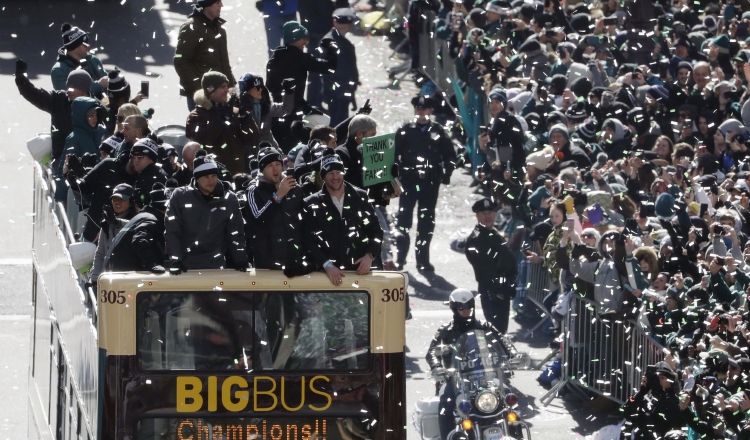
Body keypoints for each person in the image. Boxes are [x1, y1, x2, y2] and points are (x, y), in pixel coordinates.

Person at [426, 288, 506, 440]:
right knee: (446, 405)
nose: (466, 310)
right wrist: (437, 366)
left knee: (508, 397)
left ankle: (514, 432)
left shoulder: (484, 326)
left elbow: (502, 341)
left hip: (485, 375)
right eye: (461, 307)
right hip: (455, 379)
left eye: (469, 306)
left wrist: (514, 355)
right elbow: (431, 352)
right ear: (454, 308)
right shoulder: (446, 331)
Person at [393, 96, 456, 272]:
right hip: (409, 182)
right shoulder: (405, 130)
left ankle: (423, 260)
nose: (421, 112)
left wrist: (447, 173)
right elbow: (393, 157)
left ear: (431, 111)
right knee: (403, 221)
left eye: (425, 109)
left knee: (426, 222)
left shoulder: (439, 131)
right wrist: (396, 178)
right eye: (418, 109)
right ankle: (400, 258)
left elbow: (450, 155)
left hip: (430, 183)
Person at [301, 153, 382, 286]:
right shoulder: (311, 203)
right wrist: (327, 265)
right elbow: (308, 240)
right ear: (323, 176)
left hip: (360, 275)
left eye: (338, 172)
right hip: (328, 277)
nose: (335, 177)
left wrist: (369, 256)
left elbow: (376, 231)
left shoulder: (360, 197)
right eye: (330, 173)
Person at [165, 152, 248, 272]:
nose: (211, 180)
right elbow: (172, 231)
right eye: (206, 177)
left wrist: (241, 260)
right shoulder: (180, 196)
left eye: (214, 175)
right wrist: (175, 260)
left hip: (215, 265)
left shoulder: (229, 199)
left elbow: (236, 233)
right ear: (197, 178)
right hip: (185, 266)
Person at [15, 60, 92, 164]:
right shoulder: (58, 100)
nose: (69, 90)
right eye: (69, 86)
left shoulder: (96, 107)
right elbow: (35, 95)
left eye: (74, 87)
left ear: (84, 89)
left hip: (89, 158)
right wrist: (21, 80)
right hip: (61, 157)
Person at [245, 147, 305, 272]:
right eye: (270, 165)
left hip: (295, 260)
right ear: (262, 170)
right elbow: (258, 220)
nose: (275, 168)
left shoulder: (295, 188)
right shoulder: (253, 191)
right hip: (268, 264)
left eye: (278, 164)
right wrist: (278, 197)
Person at [186, 71, 259, 174]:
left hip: (239, 172)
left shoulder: (233, 111)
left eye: (227, 86)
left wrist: (245, 117)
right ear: (210, 90)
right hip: (214, 177)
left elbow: (252, 137)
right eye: (222, 87)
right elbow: (202, 140)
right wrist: (222, 119)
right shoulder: (196, 116)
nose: (226, 90)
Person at [465, 198, 518, 334]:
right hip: (493, 290)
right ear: (477, 216)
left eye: (490, 212)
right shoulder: (477, 238)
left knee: (501, 329)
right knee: (496, 330)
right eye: (484, 213)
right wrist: (499, 288)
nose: (488, 216)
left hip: (502, 288)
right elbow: (485, 270)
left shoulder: (492, 233)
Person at [174, 0, 236, 110]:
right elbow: (181, 62)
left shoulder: (219, 28)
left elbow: (223, 62)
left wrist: (231, 86)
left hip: (222, 93)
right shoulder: (191, 28)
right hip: (204, 97)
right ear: (207, 5)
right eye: (217, 3)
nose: (221, 5)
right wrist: (202, 89)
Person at [265, 21, 339, 111]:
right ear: (295, 39)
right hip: (291, 112)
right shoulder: (301, 58)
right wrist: (331, 49)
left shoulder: (273, 60)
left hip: (274, 111)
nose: (306, 42)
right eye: (303, 38)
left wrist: (306, 107)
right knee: (324, 122)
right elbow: (330, 68)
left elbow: (271, 89)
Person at [104, 183, 169, 273]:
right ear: (166, 209)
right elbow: (139, 240)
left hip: (116, 272)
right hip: (124, 275)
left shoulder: (142, 217)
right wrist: (151, 264)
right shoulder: (151, 220)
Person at [56, 97, 109, 202]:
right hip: (82, 194)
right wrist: (60, 197)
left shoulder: (102, 131)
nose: (94, 118)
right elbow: (63, 169)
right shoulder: (74, 138)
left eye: (95, 114)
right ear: (81, 117)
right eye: (90, 115)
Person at [89, 184, 137, 290]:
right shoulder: (106, 223)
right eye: (115, 199)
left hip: (129, 280)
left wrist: (116, 223)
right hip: (108, 281)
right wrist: (95, 277)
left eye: (122, 199)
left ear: (131, 202)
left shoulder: (138, 220)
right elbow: (100, 254)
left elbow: (134, 230)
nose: (117, 202)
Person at [321, 8, 360, 126]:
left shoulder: (331, 40)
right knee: (338, 126)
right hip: (338, 93)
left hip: (340, 92)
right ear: (348, 25)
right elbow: (340, 72)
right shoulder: (336, 45)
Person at [237, 73, 295, 151]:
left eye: (261, 87)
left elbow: (286, 110)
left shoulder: (266, 105)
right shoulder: (238, 109)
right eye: (257, 88)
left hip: (270, 149)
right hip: (250, 152)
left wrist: (288, 91)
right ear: (246, 90)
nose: (260, 90)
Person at [51, 23, 107, 97]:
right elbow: (69, 95)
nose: (88, 45)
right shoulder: (59, 70)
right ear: (74, 47)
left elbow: (106, 82)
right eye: (84, 44)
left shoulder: (93, 60)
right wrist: (98, 85)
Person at [130, 138, 168, 208]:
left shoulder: (156, 178)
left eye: (140, 156)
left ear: (151, 158)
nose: (136, 160)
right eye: (134, 156)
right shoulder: (141, 174)